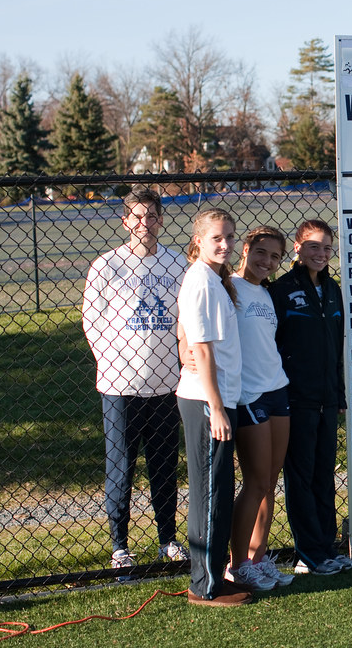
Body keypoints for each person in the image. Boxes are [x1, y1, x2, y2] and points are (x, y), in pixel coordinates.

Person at [180, 226, 295, 591]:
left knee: (270, 481)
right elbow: (192, 325)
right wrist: (186, 350)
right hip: (247, 396)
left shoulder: (267, 292)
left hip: (277, 388)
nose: (266, 261)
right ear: (245, 249)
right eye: (260, 252)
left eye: (275, 256)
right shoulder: (225, 284)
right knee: (256, 480)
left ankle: (259, 559)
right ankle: (238, 564)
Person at [81, 185, 189, 571]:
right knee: (121, 466)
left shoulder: (177, 264)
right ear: (126, 220)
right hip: (120, 386)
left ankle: (167, 540)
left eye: (152, 216)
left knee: (164, 465)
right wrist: (115, 364)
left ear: (161, 219)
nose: (145, 223)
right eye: (138, 216)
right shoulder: (107, 266)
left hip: (166, 384)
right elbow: (92, 324)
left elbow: (187, 319)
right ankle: (119, 547)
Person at [268, 220, 352, 575]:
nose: (321, 254)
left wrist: (339, 393)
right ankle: (309, 553)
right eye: (313, 246)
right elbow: (271, 347)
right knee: (300, 477)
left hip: (327, 400)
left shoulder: (333, 290)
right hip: (295, 400)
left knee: (324, 475)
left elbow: (337, 347)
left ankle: (327, 546)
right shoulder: (282, 291)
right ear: (298, 248)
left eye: (326, 248)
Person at [176, 208, 251, 606]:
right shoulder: (201, 281)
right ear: (199, 241)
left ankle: (213, 579)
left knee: (219, 488)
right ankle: (203, 586)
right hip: (208, 401)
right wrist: (216, 406)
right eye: (217, 238)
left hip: (221, 398)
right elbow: (202, 351)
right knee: (209, 492)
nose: (225, 245)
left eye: (229, 237)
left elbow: (186, 329)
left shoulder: (211, 279)